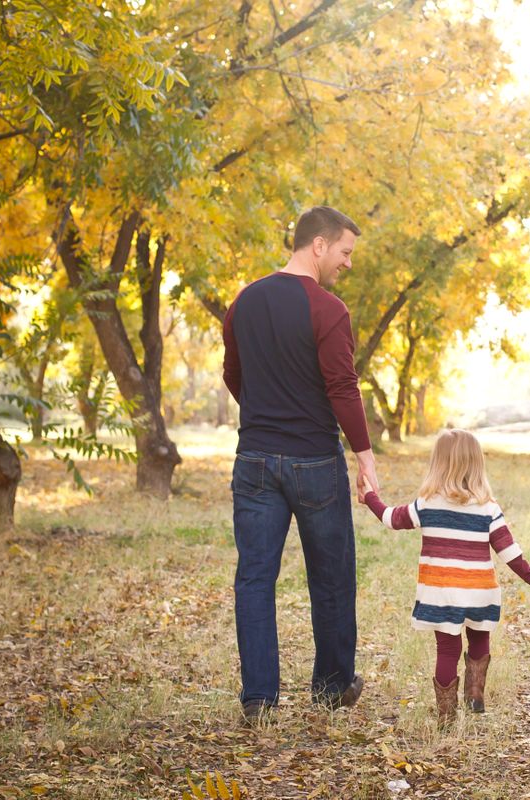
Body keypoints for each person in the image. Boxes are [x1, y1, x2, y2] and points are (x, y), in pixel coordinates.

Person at [222, 205, 380, 723]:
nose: (348, 263)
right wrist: (365, 456)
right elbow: (341, 386)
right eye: (345, 252)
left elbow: (233, 374)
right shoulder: (328, 310)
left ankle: (259, 699)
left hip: (255, 461)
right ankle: (333, 688)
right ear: (318, 245)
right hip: (315, 461)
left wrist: (266, 414)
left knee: (255, 577)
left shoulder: (243, 301)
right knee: (331, 577)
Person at [359, 429, 530, 725]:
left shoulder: (426, 504)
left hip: (442, 593)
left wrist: (369, 496)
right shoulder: (488, 507)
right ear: (477, 465)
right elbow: (507, 550)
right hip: (479, 590)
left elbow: (390, 519)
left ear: (438, 464)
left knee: (447, 649)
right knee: (479, 638)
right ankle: (475, 695)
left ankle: (446, 716)